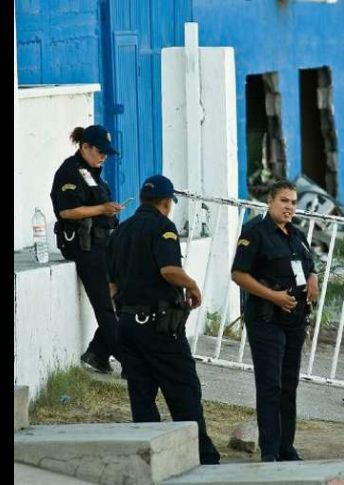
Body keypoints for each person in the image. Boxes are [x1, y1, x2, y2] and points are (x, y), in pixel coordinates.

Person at [106, 174, 221, 465]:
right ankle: (201, 456)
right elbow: (169, 270)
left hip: (128, 326)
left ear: (143, 199)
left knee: (141, 395)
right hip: (158, 326)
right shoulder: (163, 227)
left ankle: (151, 459)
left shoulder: (121, 231)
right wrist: (193, 285)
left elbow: (112, 287)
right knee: (183, 389)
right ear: (167, 203)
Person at [231, 179, 319, 462]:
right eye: (284, 201)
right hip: (266, 320)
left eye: (293, 202)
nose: (289, 207)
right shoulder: (255, 232)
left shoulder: (297, 235)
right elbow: (239, 275)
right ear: (270, 201)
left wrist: (313, 279)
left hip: (294, 320)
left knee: (289, 386)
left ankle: (286, 447)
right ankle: (270, 450)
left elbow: (310, 265)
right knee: (270, 385)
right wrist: (273, 296)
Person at [50, 125, 123, 373]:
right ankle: (131, 363)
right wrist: (102, 209)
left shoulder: (92, 173)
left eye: (106, 153)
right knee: (105, 305)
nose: (103, 156)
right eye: (99, 151)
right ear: (84, 147)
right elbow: (67, 211)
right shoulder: (69, 172)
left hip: (103, 245)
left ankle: (97, 354)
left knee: (121, 298)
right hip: (83, 246)